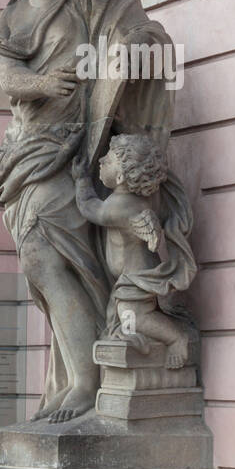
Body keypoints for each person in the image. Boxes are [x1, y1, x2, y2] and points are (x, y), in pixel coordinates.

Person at [0, 0, 186, 423]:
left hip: (83, 150)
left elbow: (142, 33)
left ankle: (84, 381)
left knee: (50, 258)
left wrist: (131, 47)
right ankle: (75, 377)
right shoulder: (10, 18)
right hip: (28, 152)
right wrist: (43, 84)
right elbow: (7, 77)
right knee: (47, 263)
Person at [72, 135, 196, 367]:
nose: (100, 161)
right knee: (126, 317)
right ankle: (133, 339)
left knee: (137, 317)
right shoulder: (128, 201)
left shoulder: (121, 205)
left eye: (107, 160)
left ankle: (176, 338)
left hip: (136, 278)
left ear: (120, 176)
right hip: (130, 278)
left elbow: (90, 209)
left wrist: (81, 181)